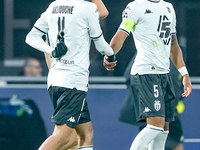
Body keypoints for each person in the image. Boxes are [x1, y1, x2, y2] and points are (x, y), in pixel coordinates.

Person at [25, 0, 114, 150]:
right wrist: (111, 55)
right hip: (72, 80)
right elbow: (103, 15)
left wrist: (51, 51)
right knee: (64, 136)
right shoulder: (87, 8)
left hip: (56, 77)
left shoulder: (54, 6)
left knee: (85, 134)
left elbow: (31, 37)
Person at [103, 0, 192, 150]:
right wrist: (109, 53)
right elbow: (121, 35)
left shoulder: (168, 7)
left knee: (163, 129)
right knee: (155, 126)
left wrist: (184, 73)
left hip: (165, 75)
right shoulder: (136, 7)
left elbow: (173, 44)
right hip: (146, 72)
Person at [119, 54, 185, 150]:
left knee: (157, 140)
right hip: (166, 111)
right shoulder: (158, 53)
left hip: (160, 111)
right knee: (173, 143)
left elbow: (129, 77)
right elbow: (175, 84)